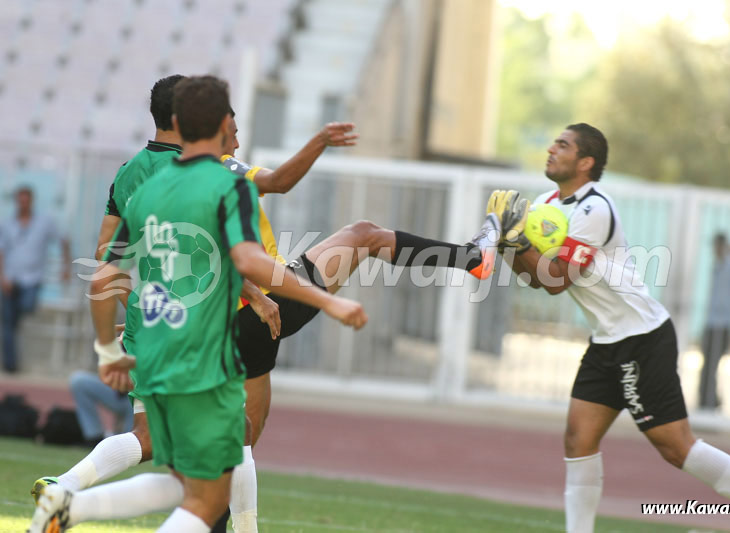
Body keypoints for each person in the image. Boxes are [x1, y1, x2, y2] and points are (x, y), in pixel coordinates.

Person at [31, 74, 499, 533]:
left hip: (168, 326)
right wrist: (296, 295)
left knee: (170, 447)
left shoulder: (134, 176)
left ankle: (67, 490)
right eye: (227, 123)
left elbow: (107, 260)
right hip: (243, 314)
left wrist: (134, 323)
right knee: (362, 237)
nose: (232, 134)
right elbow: (266, 202)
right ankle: (474, 258)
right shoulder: (215, 171)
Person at [487, 123, 730, 533]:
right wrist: (509, 244)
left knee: (675, 448)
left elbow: (557, 280)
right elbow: (534, 278)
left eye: (562, 145)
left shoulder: (593, 209)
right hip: (607, 340)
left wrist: (519, 242)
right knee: (578, 440)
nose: (550, 149)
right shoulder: (547, 204)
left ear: (586, 162)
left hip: (641, 338)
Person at [0, 186, 70, 372]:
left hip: (32, 279)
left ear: (31, 201)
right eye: (20, 200)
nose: (23, 203)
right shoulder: (7, 223)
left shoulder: (45, 222)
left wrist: (66, 267)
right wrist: (2, 276)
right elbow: (2, 251)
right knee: (7, 324)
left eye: (26, 200)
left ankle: (15, 326)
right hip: (10, 279)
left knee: (26, 307)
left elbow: (63, 240)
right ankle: (11, 366)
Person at [698, 232, 730, 410]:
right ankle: (707, 400)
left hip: (723, 324)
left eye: (719, 246)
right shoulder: (717, 265)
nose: (716, 250)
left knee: (713, 365)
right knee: (707, 365)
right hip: (711, 323)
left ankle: (710, 401)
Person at [70, 370, 133, 445]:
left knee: (138, 393)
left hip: (140, 395)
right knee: (79, 381)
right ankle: (94, 438)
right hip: (117, 390)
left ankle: (130, 440)